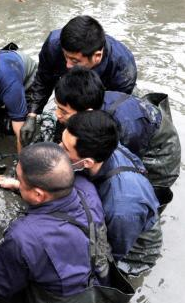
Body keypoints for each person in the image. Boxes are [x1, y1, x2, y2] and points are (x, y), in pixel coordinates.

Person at [0, 143, 134, 302]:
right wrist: (19, 187)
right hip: (102, 283)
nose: (18, 183)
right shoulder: (87, 188)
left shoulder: (24, 236)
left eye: (21, 181)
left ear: (39, 194)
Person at [54, 67, 180, 210]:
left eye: (63, 111)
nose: (57, 114)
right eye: (57, 107)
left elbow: (123, 167)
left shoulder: (125, 128)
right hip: (139, 122)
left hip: (159, 151)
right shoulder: (84, 101)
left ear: (87, 112)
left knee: (136, 197)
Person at [61, 110, 162, 276]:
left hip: (135, 249)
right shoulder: (106, 146)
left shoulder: (122, 208)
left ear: (86, 162)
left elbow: (110, 252)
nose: (58, 149)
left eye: (65, 148)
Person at [20, 15, 137, 146]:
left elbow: (111, 110)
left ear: (97, 57)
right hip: (73, 90)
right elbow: (43, 80)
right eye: (65, 57)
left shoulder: (122, 67)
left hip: (106, 93)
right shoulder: (54, 45)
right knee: (60, 138)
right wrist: (32, 114)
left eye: (75, 61)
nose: (68, 65)